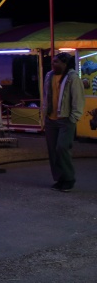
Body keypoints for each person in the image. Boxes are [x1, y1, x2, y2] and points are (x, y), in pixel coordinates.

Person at [41, 52, 85, 192]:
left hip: (65, 119)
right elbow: (46, 96)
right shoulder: (49, 76)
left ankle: (69, 178)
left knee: (62, 148)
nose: (53, 64)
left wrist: (74, 117)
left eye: (56, 62)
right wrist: (44, 117)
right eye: (53, 61)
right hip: (51, 119)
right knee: (53, 150)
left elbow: (78, 98)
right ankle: (60, 179)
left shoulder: (72, 78)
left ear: (64, 63)